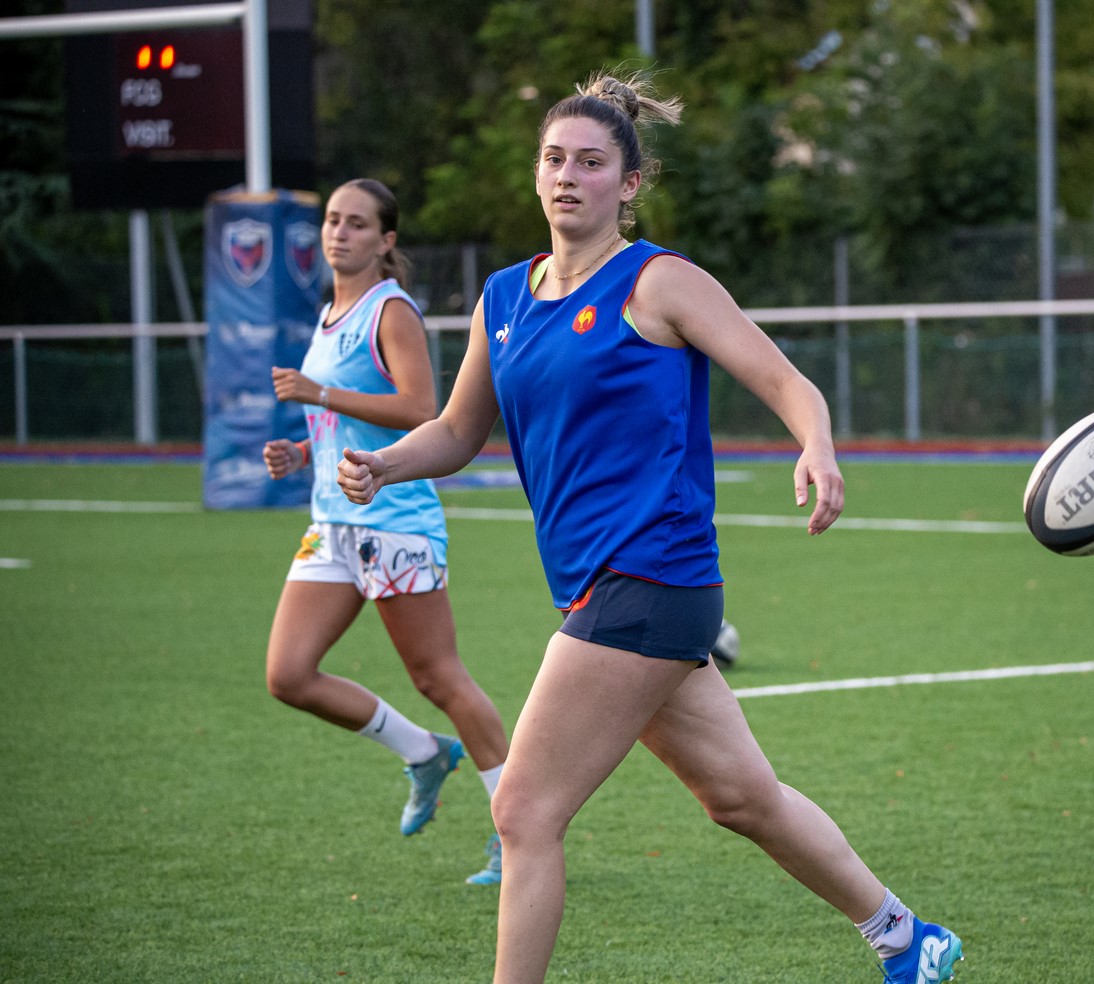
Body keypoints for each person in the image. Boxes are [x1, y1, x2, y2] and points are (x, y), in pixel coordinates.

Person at [336, 73, 963, 983]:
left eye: (591, 163)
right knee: (741, 799)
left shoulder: (660, 281)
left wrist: (816, 447)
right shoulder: (504, 299)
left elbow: (788, 382)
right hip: (605, 585)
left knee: (523, 811)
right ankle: (908, 938)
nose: (568, 177)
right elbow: (460, 431)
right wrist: (386, 462)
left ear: (629, 185)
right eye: (554, 159)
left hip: (651, 577)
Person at [262, 178, 510, 886]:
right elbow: (348, 422)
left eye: (358, 224)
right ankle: (424, 753)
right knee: (288, 675)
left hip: (394, 525)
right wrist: (302, 451)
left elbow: (422, 408)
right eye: (333, 221)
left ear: (386, 240)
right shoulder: (330, 311)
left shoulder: (390, 310)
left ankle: (515, 833)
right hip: (332, 525)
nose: (339, 233)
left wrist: (317, 395)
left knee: (440, 677)